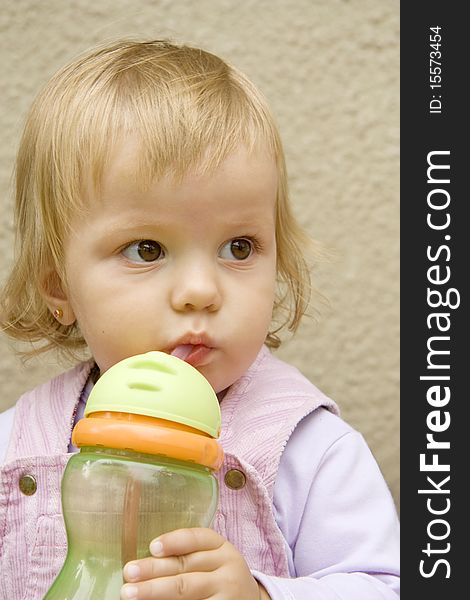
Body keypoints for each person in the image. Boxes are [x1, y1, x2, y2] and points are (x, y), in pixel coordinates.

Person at [0, 39, 399, 600]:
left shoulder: (306, 449)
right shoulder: (16, 446)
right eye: (146, 249)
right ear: (57, 284)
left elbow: (385, 586)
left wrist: (262, 595)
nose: (200, 292)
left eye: (238, 247)